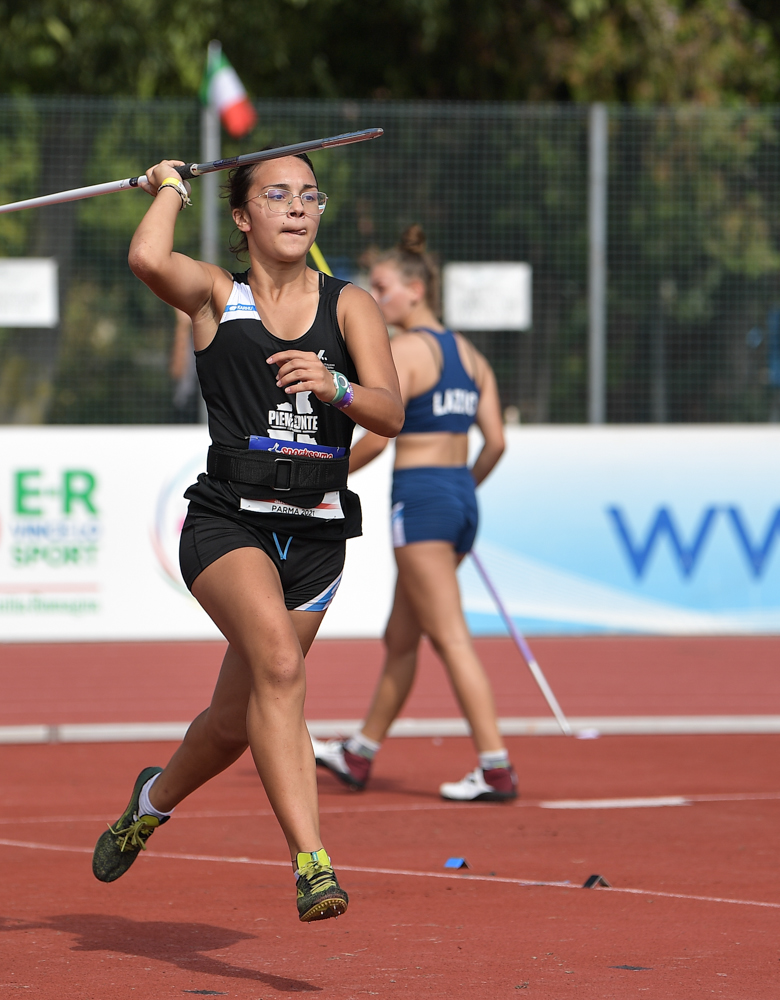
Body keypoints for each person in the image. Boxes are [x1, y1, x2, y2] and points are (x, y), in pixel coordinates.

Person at [91, 152, 402, 922]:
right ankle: (312, 863)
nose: (298, 208)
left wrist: (337, 386)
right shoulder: (214, 295)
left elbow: (390, 414)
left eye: (309, 195)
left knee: (235, 722)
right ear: (241, 216)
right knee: (280, 667)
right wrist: (169, 188)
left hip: (318, 538)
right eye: (277, 195)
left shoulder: (351, 305)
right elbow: (146, 258)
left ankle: (149, 803)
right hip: (229, 522)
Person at [314, 225, 516, 803]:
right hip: (457, 499)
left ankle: (496, 766)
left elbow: (379, 436)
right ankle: (359, 753)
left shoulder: (404, 350)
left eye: (381, 288)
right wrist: (460, 491)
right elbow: (496, 442)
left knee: (449, 637)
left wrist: (324, 476)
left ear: (416, 289)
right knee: (401, 636)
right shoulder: (472, 357)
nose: (374, 298)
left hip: (422, 502)